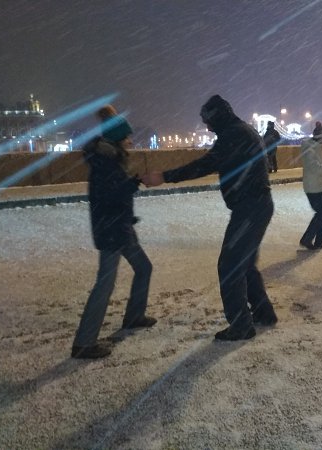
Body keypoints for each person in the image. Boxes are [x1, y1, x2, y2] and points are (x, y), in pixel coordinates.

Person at [142, 95, 277, 341]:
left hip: (250, 207)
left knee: (230, 266)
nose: (207, 127)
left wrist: (164, 176)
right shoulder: (241, 130)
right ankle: (264, 313)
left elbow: (203, 165)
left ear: (218, 117)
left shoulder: (233, 135)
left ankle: (241, 325)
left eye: (208, 122)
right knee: (244, 264)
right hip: (257, 204)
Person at [72, 106, 155, 359]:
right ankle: (84, 342)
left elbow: (112, 194)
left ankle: (134, 316)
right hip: (112, 231)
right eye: (127, 136)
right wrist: (134, 183)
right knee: (104, 284)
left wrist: (127, 210)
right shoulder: (106, 162)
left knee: (144, 268)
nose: (130, 140)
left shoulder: (109, 159)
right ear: (118, 138)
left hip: (120, 227)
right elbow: (111, 195)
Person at [299, 122, 322, 250]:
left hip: (321, 185)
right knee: (321, 213)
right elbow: (317, 169)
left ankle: (320, 241)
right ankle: (306, 239)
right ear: (319, 138)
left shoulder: (318, 147)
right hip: (312, 187)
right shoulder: (309, 150)